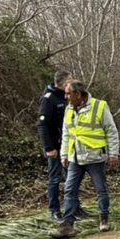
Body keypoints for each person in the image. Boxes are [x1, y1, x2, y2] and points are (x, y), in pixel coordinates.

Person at [52, 80, 120, 238]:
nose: (65, 97)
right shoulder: (69, 109)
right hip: (75, 158)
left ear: (78, 94)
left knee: (100, 189)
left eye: (68, 94)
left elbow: (111, 130)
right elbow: (66, 133)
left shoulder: (99, 106)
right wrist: (64, 154)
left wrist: (113, 154)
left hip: (94, 157)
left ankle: (104, 218)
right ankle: (68, 224)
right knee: (69, 190)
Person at [38, 70, 72, 221]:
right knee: (55, 178)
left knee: (71, 177)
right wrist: (49, 148)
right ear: (63, 83)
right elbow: (42, 124)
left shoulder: (66, 97)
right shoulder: (48, 99)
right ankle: (55, 210)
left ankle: (73, 207)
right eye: (69, 81)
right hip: (54, 146)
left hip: (67, 144)